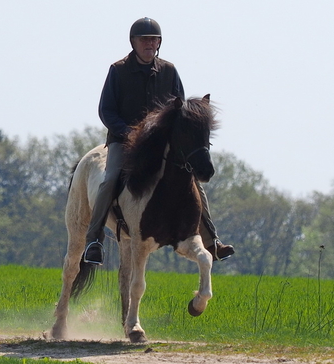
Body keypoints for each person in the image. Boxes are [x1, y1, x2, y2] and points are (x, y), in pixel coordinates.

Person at [83, 17, 235, 265]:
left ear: (159, 43)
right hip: (124, 141)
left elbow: (181, 111)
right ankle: (94, 240)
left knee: (193, 180)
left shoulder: (169, 71)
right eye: (144, 40)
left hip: (160, 145)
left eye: (154, 40)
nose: (149, 44)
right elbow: (106, 111)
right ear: (133, 42)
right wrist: (127, 132)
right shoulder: (118, 70)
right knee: (109, 179)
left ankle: (212, 241)